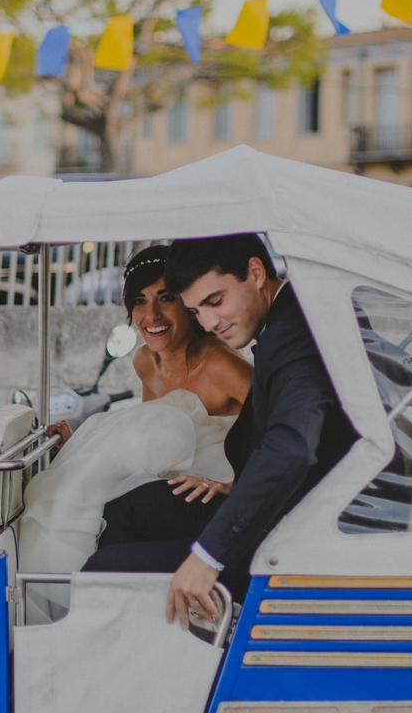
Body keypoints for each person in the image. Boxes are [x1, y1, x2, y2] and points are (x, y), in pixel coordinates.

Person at [82, 233, 356, 627]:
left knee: (103, 569)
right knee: (127, 509)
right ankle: (154, 633)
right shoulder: (287, 319)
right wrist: (233, 486)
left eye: (215, 301)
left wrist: (208, 556)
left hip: (292, 530)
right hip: (276, 503)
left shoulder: (297, 337)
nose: (209, 322)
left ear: (256, 273)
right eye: (197, 311)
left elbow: (293, 446)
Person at [47, 245, 252, 454]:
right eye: (139, 301)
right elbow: (147, 438)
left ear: (189, 306)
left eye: (166, 298)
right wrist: (78, 447)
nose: (152, 315)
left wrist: (230, 484)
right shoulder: (145, 361)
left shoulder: (220, 365)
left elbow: (281, 426)